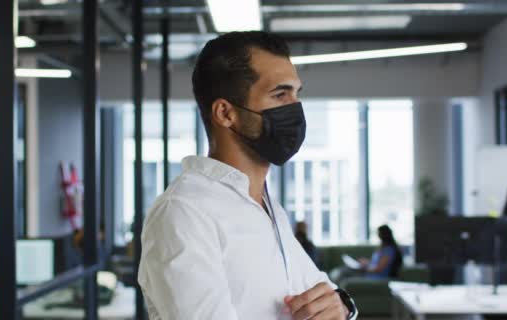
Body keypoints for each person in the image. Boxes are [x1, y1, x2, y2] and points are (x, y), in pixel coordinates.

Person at [138, 31, 356, 320]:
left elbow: (324, 294)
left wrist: (343, 307)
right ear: (226, 113)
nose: (295, 108)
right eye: (280, 94)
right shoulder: (184, 213)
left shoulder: (267, 208)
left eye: (296, 93)